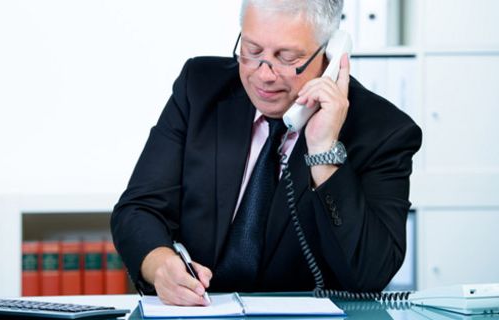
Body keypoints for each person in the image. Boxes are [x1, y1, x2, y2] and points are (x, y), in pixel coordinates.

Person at [111, 0, 422, 306]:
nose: (264, 75)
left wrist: (324, 152)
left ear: (331, 54)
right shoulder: (200, 86)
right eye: (252, 51)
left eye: (286, 57)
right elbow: (138, 209)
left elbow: (370, 274)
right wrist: (160, 265)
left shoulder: (384, 131)